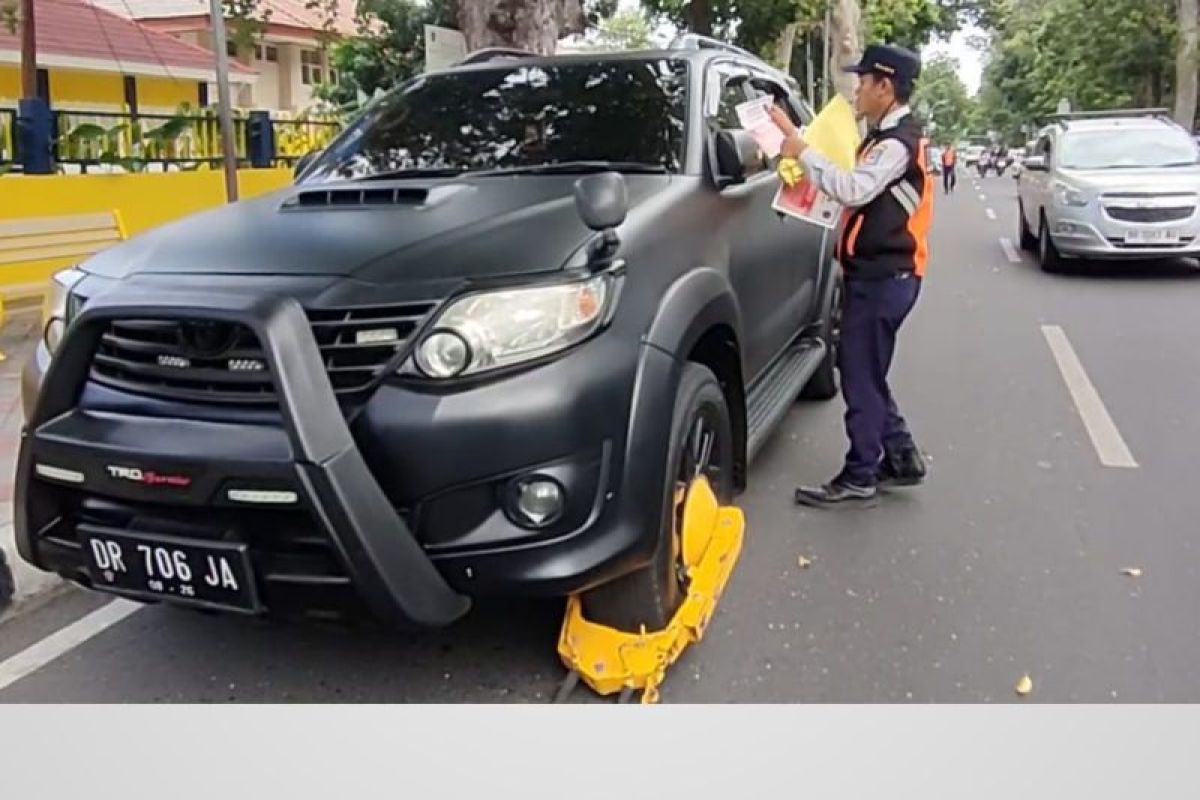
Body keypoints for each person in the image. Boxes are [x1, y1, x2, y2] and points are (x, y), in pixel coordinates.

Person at [768, 43, 930, 508]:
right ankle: (900, 456)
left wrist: (803, 152)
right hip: (875, 275)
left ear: (886, 87)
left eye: (863, 82)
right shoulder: (881, 138)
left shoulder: (897, 145)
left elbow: (854, 188)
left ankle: (861, 473)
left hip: (886, 277)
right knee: (865, 370)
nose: (856, 89)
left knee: (859, 374)